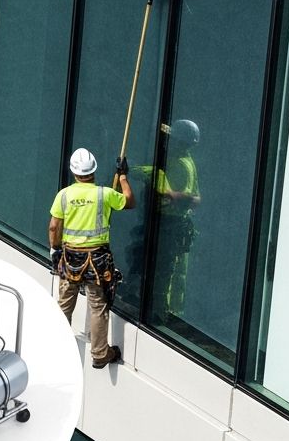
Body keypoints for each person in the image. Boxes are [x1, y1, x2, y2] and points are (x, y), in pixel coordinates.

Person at [49, 147, 135, 369]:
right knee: (97, 305)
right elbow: (129, 201)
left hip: (71, 258)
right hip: (97, 260)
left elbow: (53, 226)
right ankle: (99, 353)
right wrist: (123, 176)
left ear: (73, 171)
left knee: (64, 305)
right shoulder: (104, 194)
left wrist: (55, 249)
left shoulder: (64, 195)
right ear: (94, 171)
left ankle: (57, 344)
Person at [141, 119, 201, 321]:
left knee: (166, 270)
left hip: (170, 223)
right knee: (173, 271)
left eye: (173, 138)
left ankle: (161, 312)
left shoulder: (180, 165)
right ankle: (169, 311)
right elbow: (196, 199)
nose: (168, 142)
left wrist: (156, 181)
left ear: (181, 142)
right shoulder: (185, 161)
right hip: (175, 224)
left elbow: (184, 198)